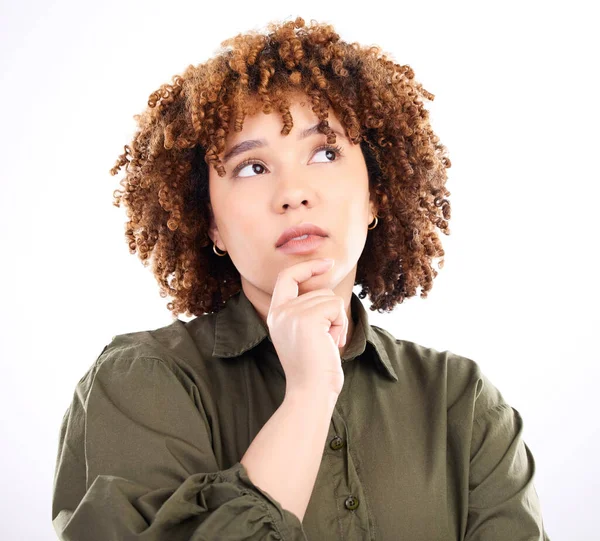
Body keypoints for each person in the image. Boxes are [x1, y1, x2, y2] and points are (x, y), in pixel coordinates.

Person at [51, 16, 550, 540]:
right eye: (252, 167)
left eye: (326, 152)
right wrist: (309, 395)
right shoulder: (140, 383)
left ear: (377, 193)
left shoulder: (462, 404)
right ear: (212, 223)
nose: (293, 192)